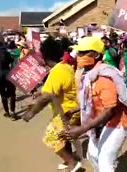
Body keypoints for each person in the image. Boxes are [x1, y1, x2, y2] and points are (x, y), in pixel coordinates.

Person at [60, 37, 127, 172]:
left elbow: (109, 110)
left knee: (105, 161)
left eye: (83, 52)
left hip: (117, 122)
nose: (79, 56)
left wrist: (82, 128)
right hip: (100, 122)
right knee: (92, 155)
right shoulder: (88, 75)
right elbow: (91, 101)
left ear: (97, 55)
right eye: (78, 53)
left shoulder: (105, 77)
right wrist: (75, 110)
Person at [22, 37, 82, 172]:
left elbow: (47, 97)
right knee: (63, 138)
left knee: (50, 138)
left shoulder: (56, 72)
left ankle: (72, 163)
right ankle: (69, 161)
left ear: (45, 57)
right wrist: (39, 93)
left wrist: (31, 113)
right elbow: (54, 90)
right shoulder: (64, 67)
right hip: (70, 110)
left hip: (67, 112)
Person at [0, 34, 17, 119]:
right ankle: (12, 112)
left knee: (2, 93)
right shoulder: (6, 52)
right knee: (12, 93)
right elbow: (11, 60)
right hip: (8, 73)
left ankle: (6, 112)